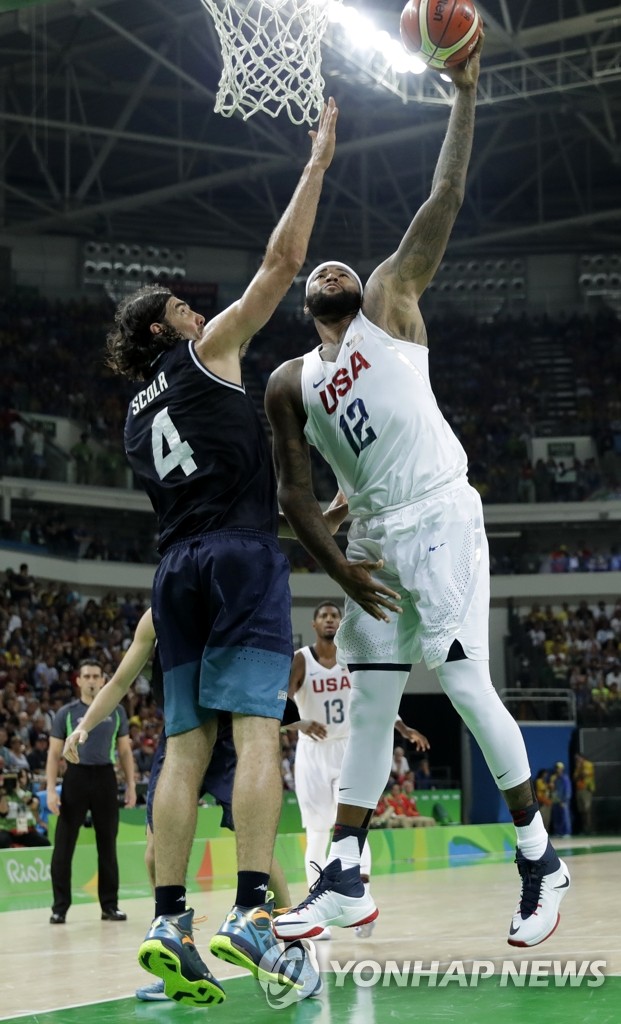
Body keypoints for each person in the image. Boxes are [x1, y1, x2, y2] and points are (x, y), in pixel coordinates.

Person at [267, 38, 570, 951]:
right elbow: (295, 499)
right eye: (316, 272)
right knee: (369, 699)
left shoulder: (393, 298)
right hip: (372, 544)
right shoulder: (289, 384)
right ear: (304, 304)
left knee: (468, 685)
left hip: (438, 513)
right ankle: (347, 874)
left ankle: (536, 858)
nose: (329, 269)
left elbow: (443, 198)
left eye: (336, 266)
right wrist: (343, 563)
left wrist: (463, 93)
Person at [104, 99, 339, 1007]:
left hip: (173, 571)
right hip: (237, 558)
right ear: (165, 331)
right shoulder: (207, 353)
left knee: (181, 751)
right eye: (178, 305)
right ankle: (249, 906)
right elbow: (283, 266)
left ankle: (168, 920)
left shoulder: (130, 418)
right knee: (253, 734)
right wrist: (315, 165)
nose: (195, 307)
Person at [62, 609, 300, 1003]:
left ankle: (293, 947)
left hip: (229, 737)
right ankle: (177, 951)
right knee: (157, 853)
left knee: (257, 846)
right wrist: (85, 724)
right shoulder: (157, 615)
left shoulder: (234, 599)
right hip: (180, 739)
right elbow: (121, 679)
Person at [286, 599, 428, 939]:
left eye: (335, 615)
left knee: (353, 828)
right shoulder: (301, 659)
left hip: (350, 747)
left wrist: (403, 727)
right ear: (314, 623)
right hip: (314, 753)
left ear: (342, 622)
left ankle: (361, 899)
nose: (331, 619)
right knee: (319, 832)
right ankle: (316, 908)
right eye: (324, 615)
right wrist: (299, 723)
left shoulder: (352, 657)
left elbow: (372, 698)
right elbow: (284, 698)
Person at [45, 659, 136, 924]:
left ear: (102, 679)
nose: (92, 680)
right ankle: (59, 907)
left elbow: (125, 751)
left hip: (105, 777)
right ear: (79, 680)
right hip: (75, 777)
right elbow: (53, 755)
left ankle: (109, 906)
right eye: (87, 676)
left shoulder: (117, 711)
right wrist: (51, 789)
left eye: (97, 676)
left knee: (107, 845)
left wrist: (130, 785)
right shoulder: (66, 713)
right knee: (63, 845)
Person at [572, 752, 595, 834]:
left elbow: (585, 774)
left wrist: (580, 768)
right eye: (576, 759)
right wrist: (578, 768)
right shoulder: (578, 767)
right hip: (579, 789)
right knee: (581, 810)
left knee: (587, 809)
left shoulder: (588, 764)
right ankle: (584, 829)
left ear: (582, 758)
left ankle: (589, 829)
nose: (576, 760)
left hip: (586, 789)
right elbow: (575, 778)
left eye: (578, 758)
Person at [551, 761, 572, 837]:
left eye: (559, 768)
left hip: (563, 801)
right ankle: (558, 832)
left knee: (564, 816)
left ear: (562, 769)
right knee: (557, 817)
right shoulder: (555, 779)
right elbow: (554, 789)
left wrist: (564, 800)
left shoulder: (565, 778)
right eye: (556, 768)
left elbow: (567, 790)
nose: (557, 770)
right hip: (556, 800)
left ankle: (566, 832)